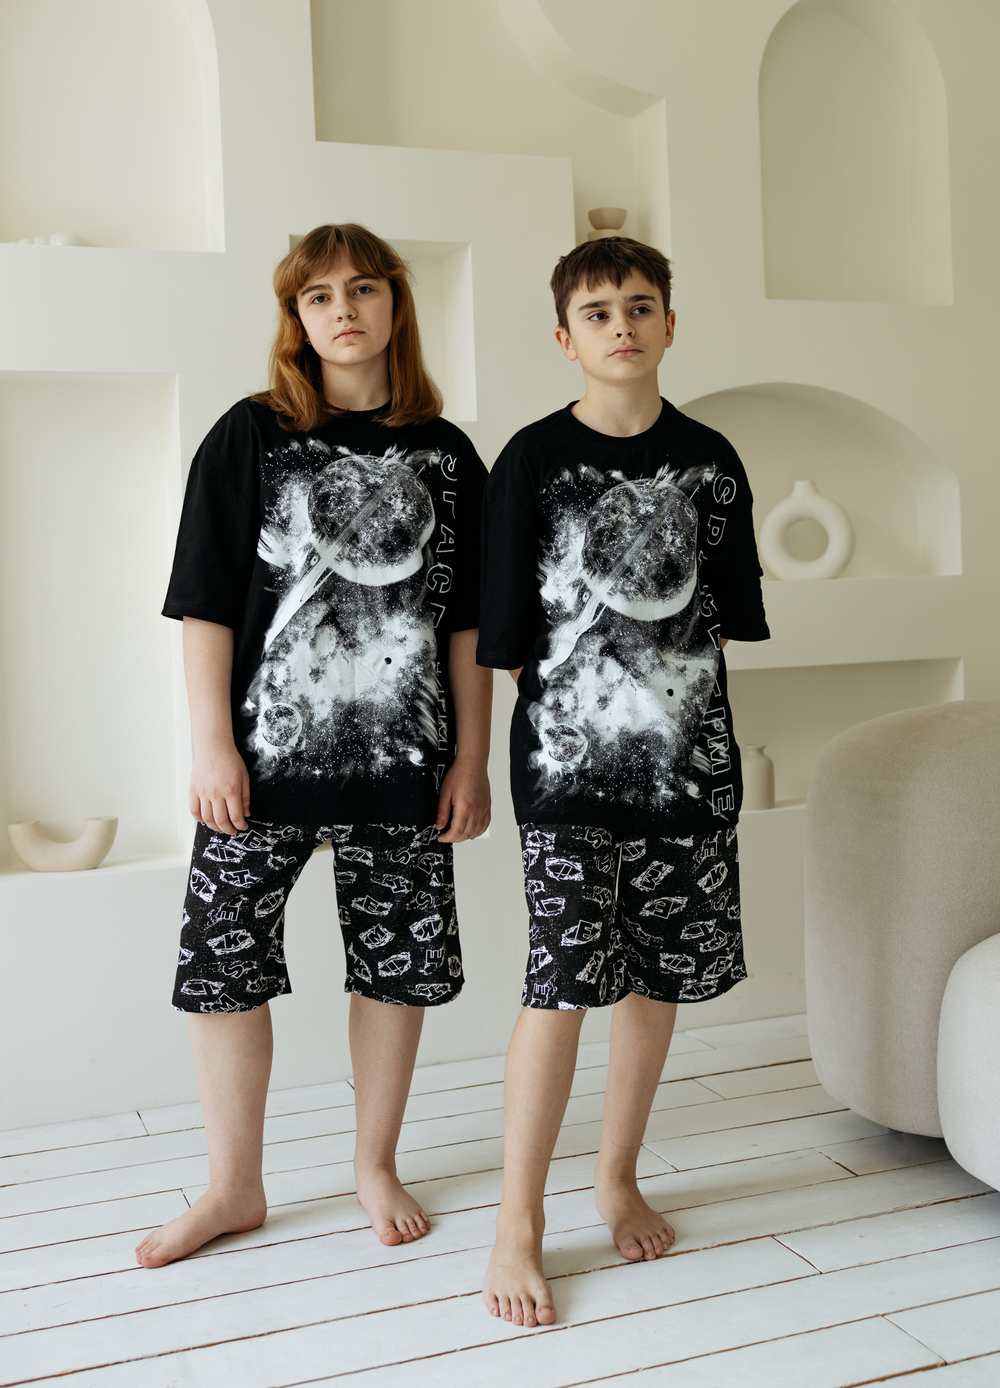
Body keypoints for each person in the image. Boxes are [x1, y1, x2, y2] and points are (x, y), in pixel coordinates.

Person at [136, 223, 492, 1269]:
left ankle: (374, 1164)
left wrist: (470, 759)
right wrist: (213, 745)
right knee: (222, 965)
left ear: (395, 305)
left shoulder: (447, 455)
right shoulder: (248, 435)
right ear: (295, 316)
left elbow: (469, 625)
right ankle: (233, 1185)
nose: (344, 309)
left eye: (364, 289)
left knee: (395, 968)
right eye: (320, 294)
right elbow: (205, 602)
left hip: (404, 763)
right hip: (261, 765)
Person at [476, 236, 769, 1326]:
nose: (621, 327)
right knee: (558, 981)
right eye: (597, 313)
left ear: (669, 325)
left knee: (656, 979)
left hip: (687, 769)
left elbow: (721, 622)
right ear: (565, 338)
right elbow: (508, 638)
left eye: (640, 307)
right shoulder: (530, 460)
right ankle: (517, 1220)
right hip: (566, 776)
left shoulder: (712, 460)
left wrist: (672, 728)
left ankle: (615, 1177)